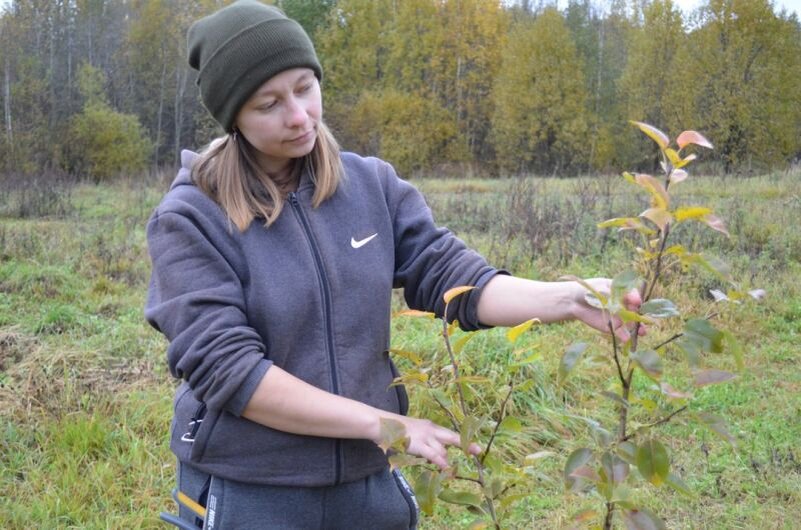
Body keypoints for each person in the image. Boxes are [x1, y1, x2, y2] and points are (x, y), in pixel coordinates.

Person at [145, 2, 641, 528]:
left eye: (305, 88)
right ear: (234, 117)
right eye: (268, 103)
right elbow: (232, 372)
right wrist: (387, 425)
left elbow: (450, 275)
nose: (299, 115)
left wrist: (568, 297)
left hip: (366, 481)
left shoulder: (370, 186)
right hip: (253, 488)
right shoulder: (191, 217)